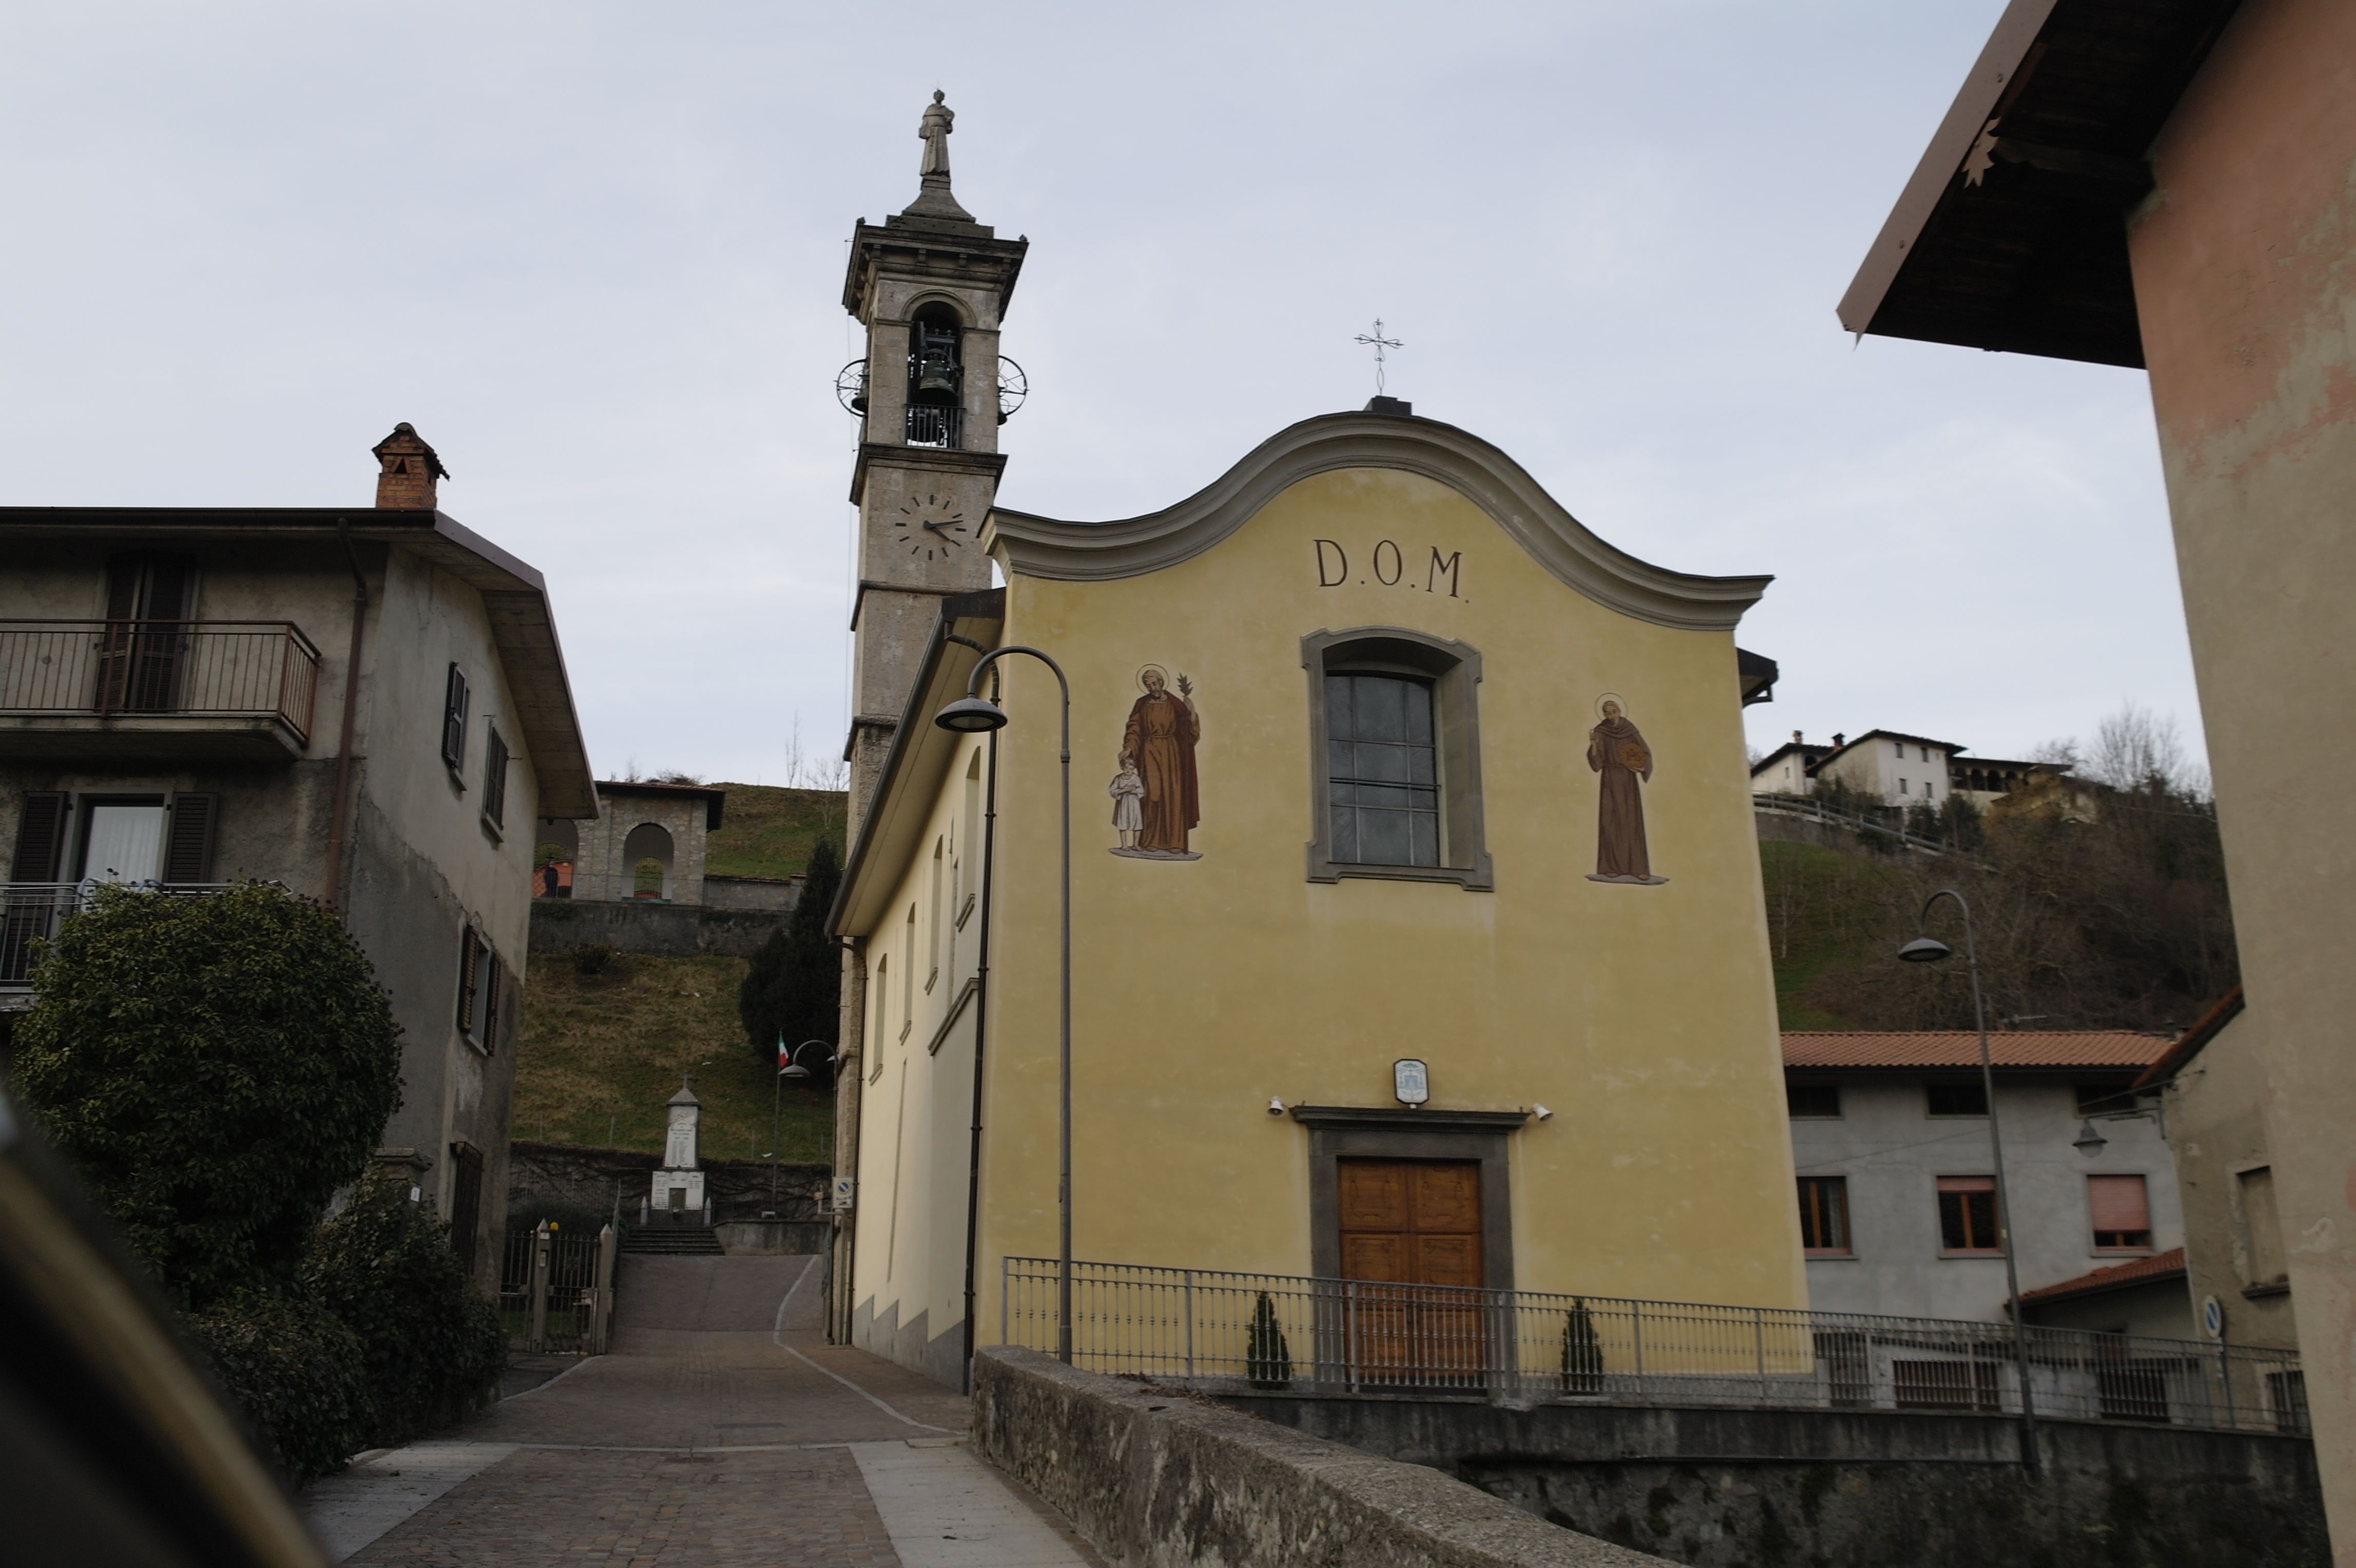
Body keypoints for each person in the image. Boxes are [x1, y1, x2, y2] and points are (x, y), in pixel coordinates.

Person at [1120, 667, 1201, 857]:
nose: (1152, 688)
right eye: (1148, 685)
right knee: (1152, 795)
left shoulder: (1175, 704)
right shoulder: (1142, 704)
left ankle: (1175, 842)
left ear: (1162, 683)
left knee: (1174, 795)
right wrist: (1129, 747)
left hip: (1172, 752)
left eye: (1154, 684)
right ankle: (1151, 840)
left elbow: (1190, 730)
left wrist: (1192, 712)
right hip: (1149, 752)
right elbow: (1134, 728)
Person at [1585, 697, 1663, 884]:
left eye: (1614, 711)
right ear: (1604, 714)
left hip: (1628, 780)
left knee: (1632, 822)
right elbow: (1597, 762)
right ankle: (1611, 867)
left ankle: (1638, 868)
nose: (1611, 715)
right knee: (1610, 822)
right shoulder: (1601, 731)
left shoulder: (1630, 730)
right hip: (1610, 780)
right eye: (1607, 712)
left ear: (1620, 711)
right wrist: (1594, 744)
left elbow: (1644, 753)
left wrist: (1641, 766)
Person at [1109, 755, 1145, 850]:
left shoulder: (1135, 778)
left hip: (1134, 803)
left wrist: (1134, 791)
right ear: (1122, 767)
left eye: (1131, 768)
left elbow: (1141, 790)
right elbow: (1112, 790)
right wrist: (1123, 790)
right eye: (1126, 768)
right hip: (1124, 803)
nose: (1129, 770)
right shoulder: (1118, 778)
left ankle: (1136, 844)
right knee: (1123, 823)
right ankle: (1124, 845)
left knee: (1137, 823)